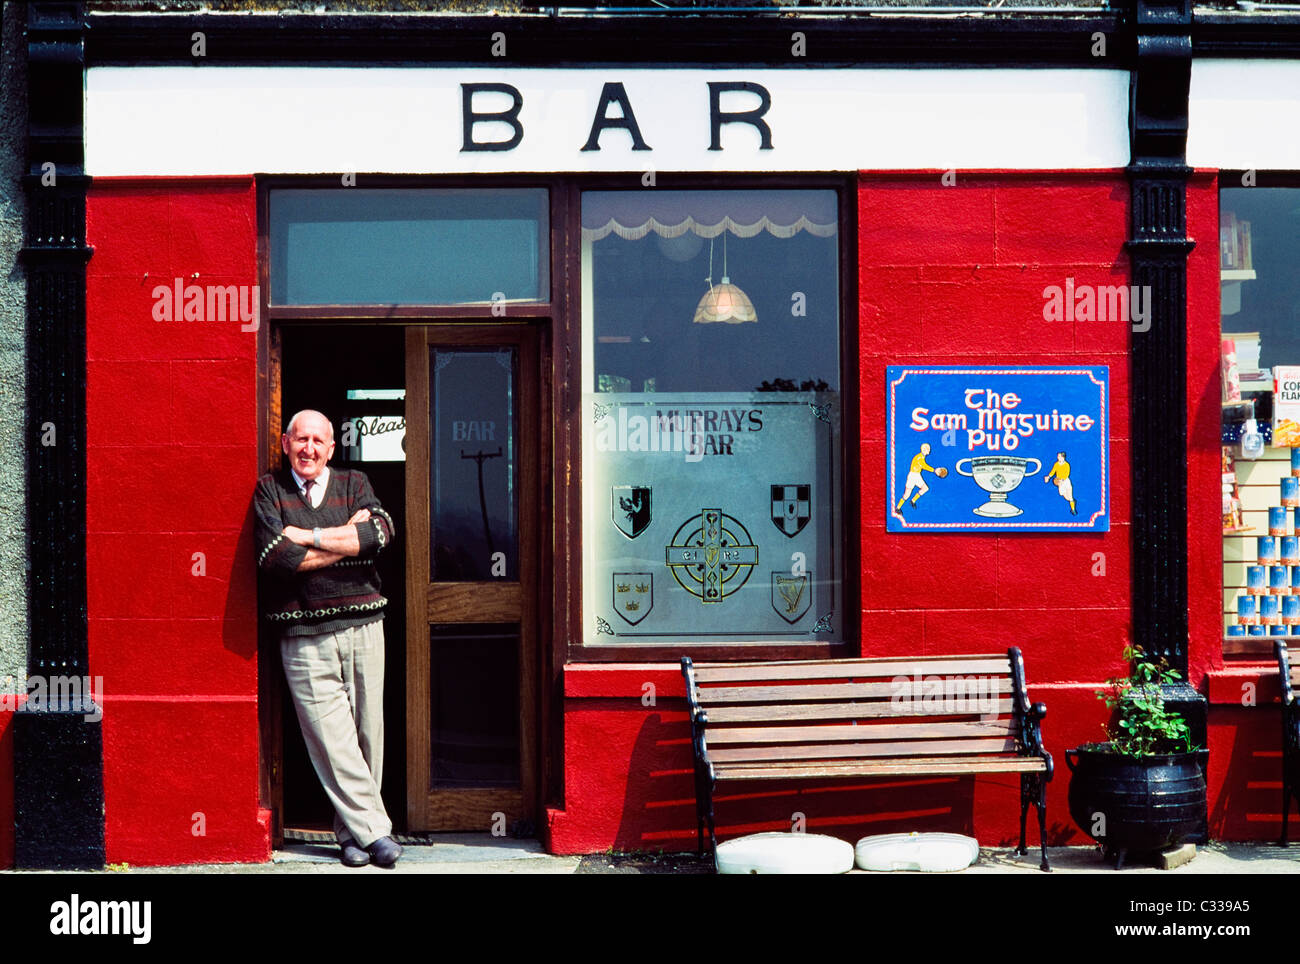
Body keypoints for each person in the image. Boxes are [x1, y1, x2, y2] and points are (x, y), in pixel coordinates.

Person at [253, 409, 402, 868]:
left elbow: (379, 534)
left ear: (332, 448)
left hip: (365, 627)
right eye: (301, 440)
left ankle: (351, 836)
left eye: (319, 441)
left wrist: (309, 535)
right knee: (331, 741)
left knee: (367, 735)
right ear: (285, 443)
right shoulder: (269, 491)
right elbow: (278, 558)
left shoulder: (355, 482)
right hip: (303, 634)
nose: (309, 449)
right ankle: (378, 834)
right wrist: (343, 544)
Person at [896, 442, 937, 510]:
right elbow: (924, 466)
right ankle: (898, 508)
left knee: (925, 488)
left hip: (917, 475)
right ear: (924, 449)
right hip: (912, 476)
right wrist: (934, 470)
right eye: (928, 449)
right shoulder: (919, 457)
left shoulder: (922, 457)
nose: (929, 450)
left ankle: (913, 501)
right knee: (907, 494)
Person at [1044, 450, 1076, 515]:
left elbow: (1067, 474)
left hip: (1066, 481)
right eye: (1058, 456)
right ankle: (1072, 501)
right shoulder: (1056, 464)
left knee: (1070, 496)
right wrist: (1048, 477)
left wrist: (1063, 480)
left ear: (1063, 457)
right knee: (1064, 495)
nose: (1058, 457)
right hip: (1059, 482)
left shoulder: (1067, 465)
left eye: (1059, 456)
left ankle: (1073, 509)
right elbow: (1053, 471)